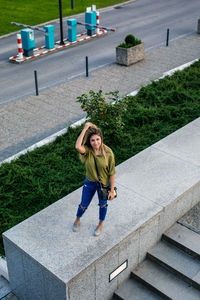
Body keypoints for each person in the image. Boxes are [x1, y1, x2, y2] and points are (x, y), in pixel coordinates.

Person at [73, 122, 116, 236]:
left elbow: (112, 173)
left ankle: (100, 224)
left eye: (98, 139)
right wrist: (85, 128)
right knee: (83, 204)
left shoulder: (108, 152)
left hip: (103, 184)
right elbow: (78, 146)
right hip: (90, 183)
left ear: (101, 139)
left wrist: (111, 190)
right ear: (89, 142)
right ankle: (77, 220)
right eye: (93, 140)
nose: (95, 142)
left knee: (103, 205)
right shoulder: (88, 151)